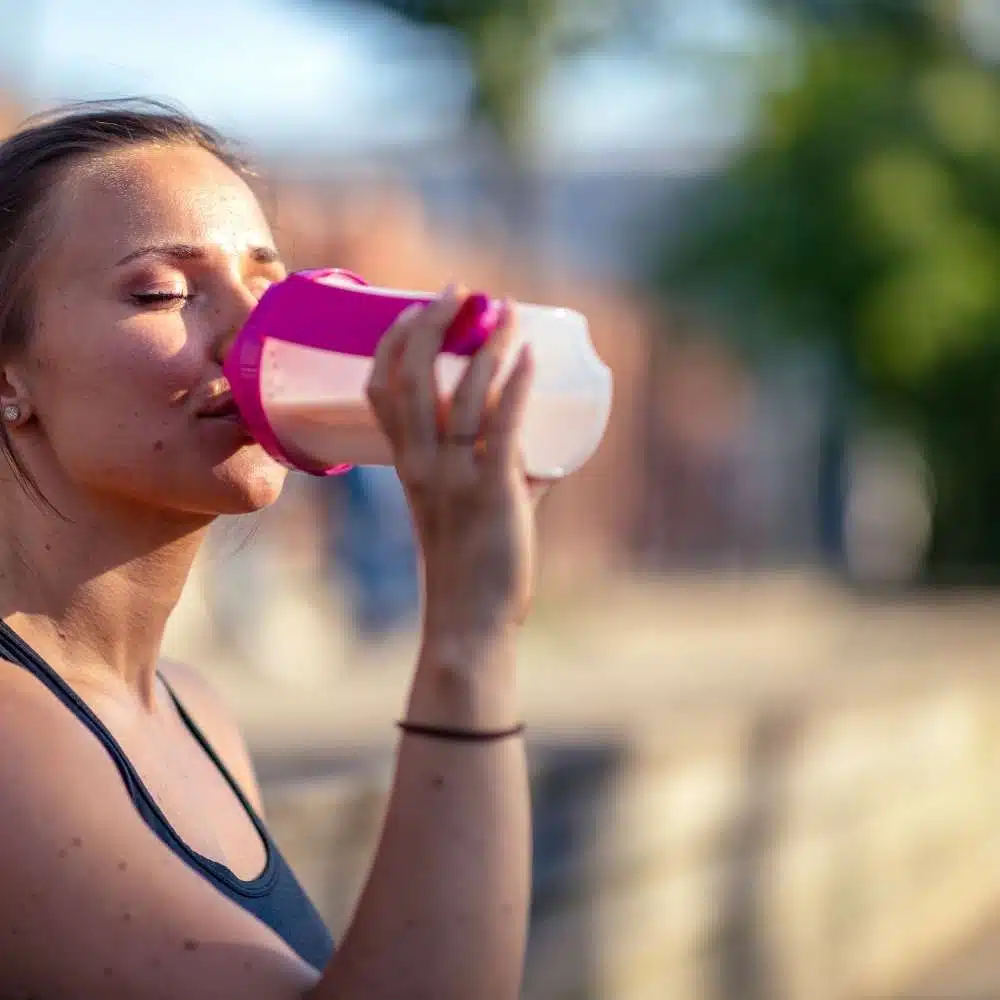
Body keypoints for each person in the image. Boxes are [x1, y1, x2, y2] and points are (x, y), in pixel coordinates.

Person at [0, 100, 540, 1000]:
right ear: (8, 377)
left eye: (272, 287)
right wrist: (467, 634)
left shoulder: (195, 713)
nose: (258, 334)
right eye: (164, 293)